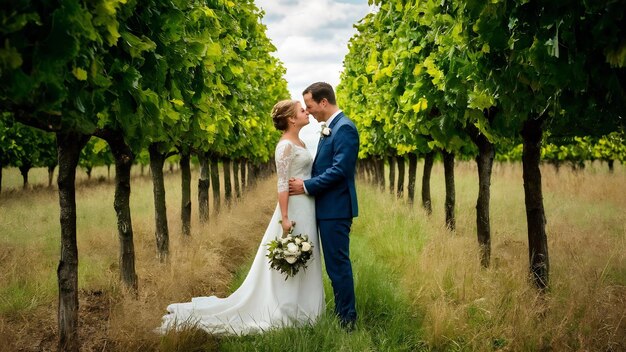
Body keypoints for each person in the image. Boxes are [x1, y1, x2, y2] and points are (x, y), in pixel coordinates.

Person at [159, 100, 324, 335]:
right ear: (290, 118)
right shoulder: (285, 146)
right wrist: (285, 217)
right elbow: (281, 184)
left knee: (305, 254)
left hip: (307, 206)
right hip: (294, 209)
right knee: (292, 254)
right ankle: (287, 308)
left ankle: (306, 308)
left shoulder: (301, 141)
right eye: (301, 110)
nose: (306, 112)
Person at [289, 82, 359, 330]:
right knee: (334, 266)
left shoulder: (344, 129)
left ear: (323, 102)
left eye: (310, 106)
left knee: (338, 266)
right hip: (328, 208)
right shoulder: (332, 128)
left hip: (336, 210)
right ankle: (343, 314)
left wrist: (306, 186)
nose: (309, 111)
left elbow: (340, 170)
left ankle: (347, 321)